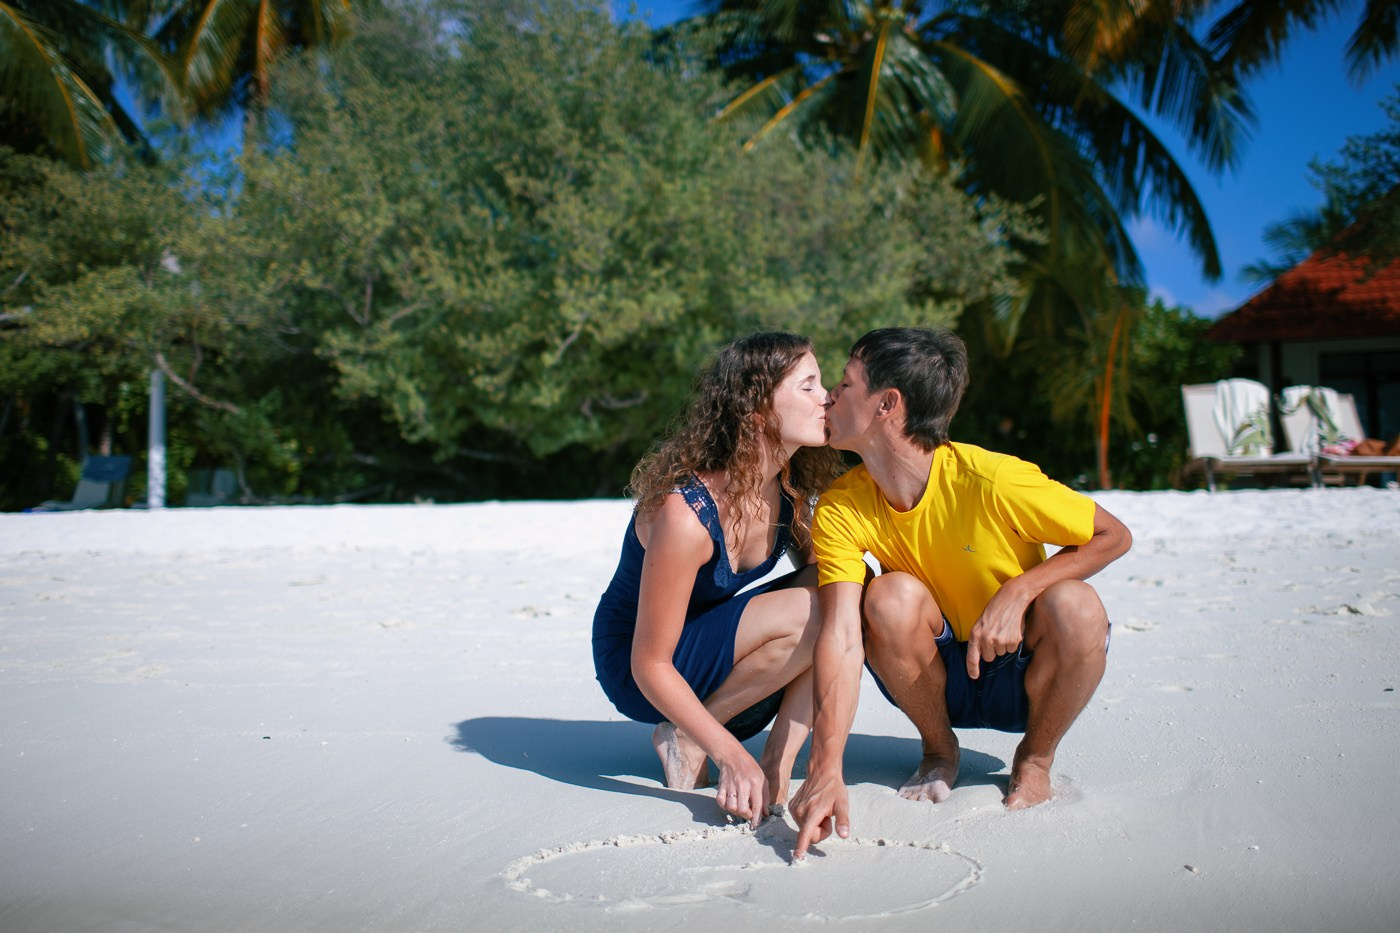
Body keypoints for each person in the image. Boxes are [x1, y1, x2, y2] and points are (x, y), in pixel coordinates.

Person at [790, 327, 1132, 858]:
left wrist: (1020, 590)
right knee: (887, 596)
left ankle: (1035, 760)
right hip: (933, 678)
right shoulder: (841, 504)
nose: (830, 396)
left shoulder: (993, 478)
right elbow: (840, 635)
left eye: (845, 383)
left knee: (1077, 605)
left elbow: (1115, 535)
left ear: (887, 404)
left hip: (1024, 675)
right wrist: (824, 768)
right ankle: (938, 750)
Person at [592, 332, 845, 826]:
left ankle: (777, 761)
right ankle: (688, 736)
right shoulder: (686, 513)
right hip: (641, 667)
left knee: (840, 592)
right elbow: (649, 663)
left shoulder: (786, 489)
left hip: (709, 654)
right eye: (809, 386)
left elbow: (831, 581)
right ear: (758, 413)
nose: (827, 397)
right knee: (815, 607)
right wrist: (728, 752)